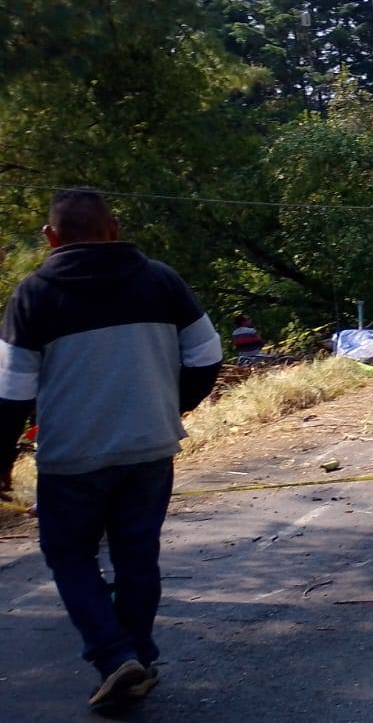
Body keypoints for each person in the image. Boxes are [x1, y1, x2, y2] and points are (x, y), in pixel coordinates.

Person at [0, 190, 222, 711]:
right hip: (149, 448)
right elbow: (208, 354)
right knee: (137, 552)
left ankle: (115, 654)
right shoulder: (161, 280)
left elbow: (9, 394)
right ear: (114, 228)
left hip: (72, 458)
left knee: (69, 553)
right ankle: (138, 655)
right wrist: (173, 405)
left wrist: (1, 464)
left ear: (51, 237)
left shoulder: (33, 294)